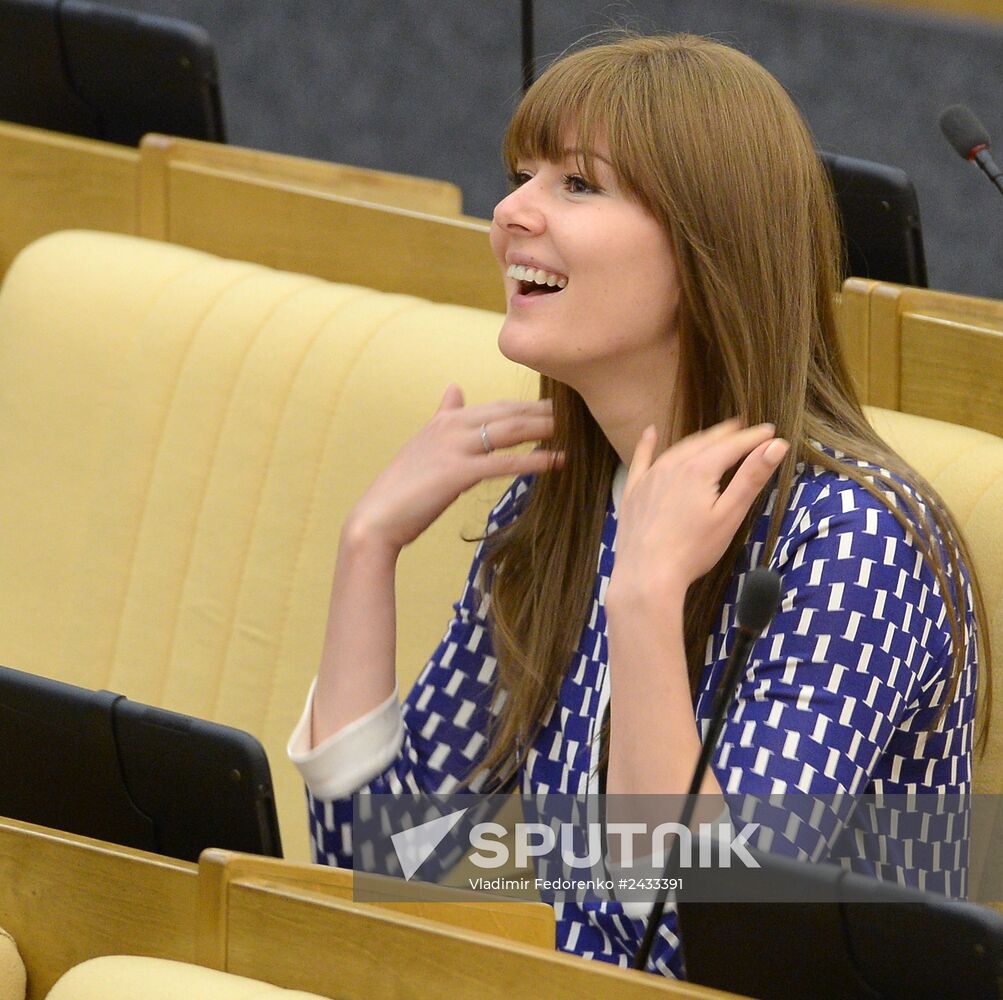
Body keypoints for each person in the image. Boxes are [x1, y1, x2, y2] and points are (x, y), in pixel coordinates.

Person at [288, 33, 988, 978]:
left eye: (577, 185)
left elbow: (706, 944)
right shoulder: (559, 509)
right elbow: (378, 868)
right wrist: (366, 548)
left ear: (710, 247)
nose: (509, 213)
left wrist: (646, 609)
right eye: (520, 175)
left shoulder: (853, 544)